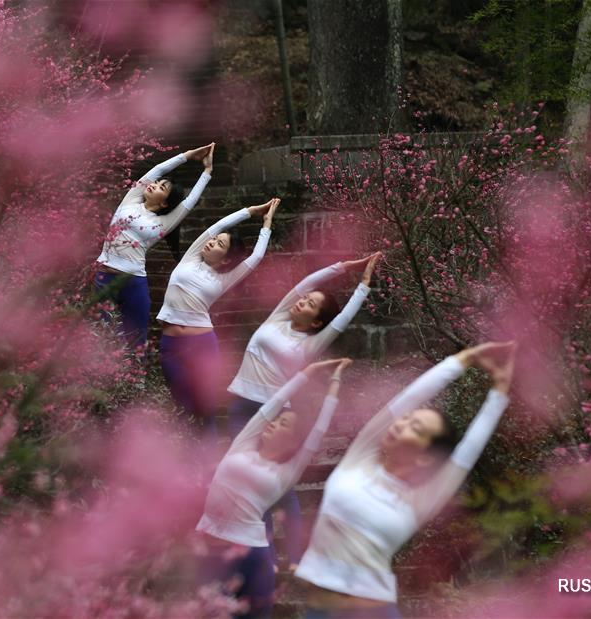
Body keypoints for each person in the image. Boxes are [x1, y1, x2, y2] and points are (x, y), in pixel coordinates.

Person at [294, 341, 518, 619]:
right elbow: (407, 399)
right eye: (406, 419)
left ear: (425, 457)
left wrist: (499, 391)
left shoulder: (421, 499)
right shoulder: (358, 461)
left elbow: (468, 452)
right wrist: (464, 358)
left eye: (416, 428)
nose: (401, 423)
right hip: (319, 610)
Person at [225, 252, 381, 570]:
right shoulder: (278, 317)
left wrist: (363, 286)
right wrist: (341, 268)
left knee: (280, 486)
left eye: (310, 306)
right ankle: (265, 556)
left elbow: (341, 320)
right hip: (241, 408)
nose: (302, 303)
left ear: (316, 323)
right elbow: (304, 285)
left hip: (274, 413)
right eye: (305, 301)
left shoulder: (311, 343)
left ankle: (296, 557)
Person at [196, 358, 353, 619]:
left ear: (293, 442)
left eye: (283, 425)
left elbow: (319, 430)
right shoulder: (244, 444)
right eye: (276, 421)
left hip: (253, 557)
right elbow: (270, 408)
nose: (272, 423)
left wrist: (335, 382)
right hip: (213, 548)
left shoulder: (285, 473)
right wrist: (307, 373)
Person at [157, 198, 281, 437]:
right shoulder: (191, 257)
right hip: (171, 345)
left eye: (218, 244)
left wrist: (267, 224)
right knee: (184, 406)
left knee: (208, 408)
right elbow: (215, 227)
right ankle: (187, 461)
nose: (211, 242)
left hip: (201, 343)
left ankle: (208, 463)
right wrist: (249, 210)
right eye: (214, 240)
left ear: (225, 259)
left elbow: (255, 258)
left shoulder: (224, 279)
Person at [94, 143, 215, 348]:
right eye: (157, 183)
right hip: (105, 277)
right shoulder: (130, 200)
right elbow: (157, 170)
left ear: (165, 203)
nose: (154, 184)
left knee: (135, 338)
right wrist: (187, 155)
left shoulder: (163, 223)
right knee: (103, 335)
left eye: (162, 188)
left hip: (134, 282)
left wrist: (207, 171)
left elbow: (189, 201)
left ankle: (136, 381)